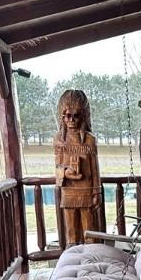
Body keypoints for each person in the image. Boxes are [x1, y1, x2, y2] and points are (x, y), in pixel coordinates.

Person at [53, 89, 102, 246]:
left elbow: (95, 169)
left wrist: (97, 192)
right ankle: (72, 258)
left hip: (86, 191)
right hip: (69, 191)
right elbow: (57, 166)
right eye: (68, 116)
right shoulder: (59, 140)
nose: (72, 120)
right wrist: (64, 172)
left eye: (76, 115)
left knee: (90, 230)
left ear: (83, 116)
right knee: (71, 231)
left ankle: (91, 257)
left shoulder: (89, 140)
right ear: (63, 117)